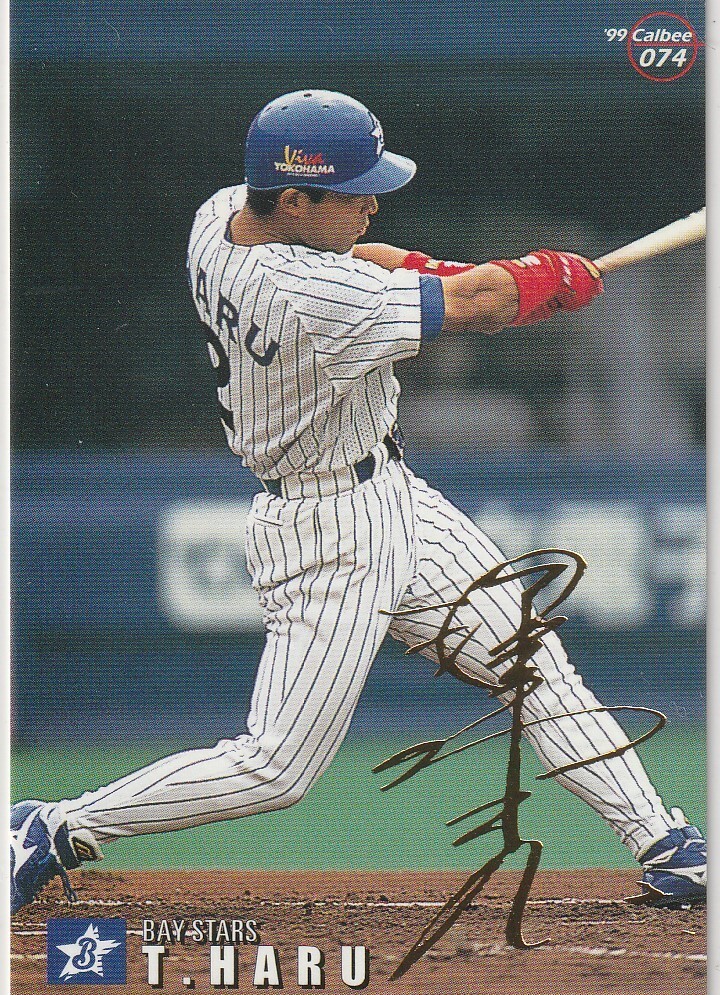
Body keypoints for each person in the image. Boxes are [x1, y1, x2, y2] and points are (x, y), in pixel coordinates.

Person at [11, 90, 705, 915]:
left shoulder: (223, 215)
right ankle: (56, 826)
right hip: (327, 530)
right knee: (274, 769)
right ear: (294, 200)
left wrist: (447, 271)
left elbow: (370, 258)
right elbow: (481, 306)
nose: (372, 204)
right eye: (353, 192)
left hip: (393, 493)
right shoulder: (303, 298)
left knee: (530, 660)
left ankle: (665, 843)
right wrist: (540, 279)